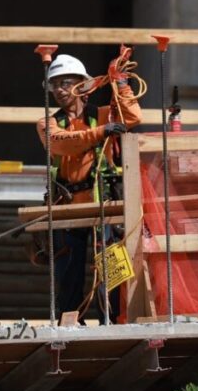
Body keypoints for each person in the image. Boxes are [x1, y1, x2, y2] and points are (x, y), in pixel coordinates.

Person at [36, 49, 142, 323]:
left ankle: (114, 321)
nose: (59, 89)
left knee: (111, 270)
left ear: (83, 86)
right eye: (55, 84)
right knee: (68, 273)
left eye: (66, 82)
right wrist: (101, 132)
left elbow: (131, 118)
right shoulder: (48, 123)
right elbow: (61, 142)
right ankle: (69, 324)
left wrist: (120, 82)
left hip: (104, 203)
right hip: (68, 208)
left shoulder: (105, 114)